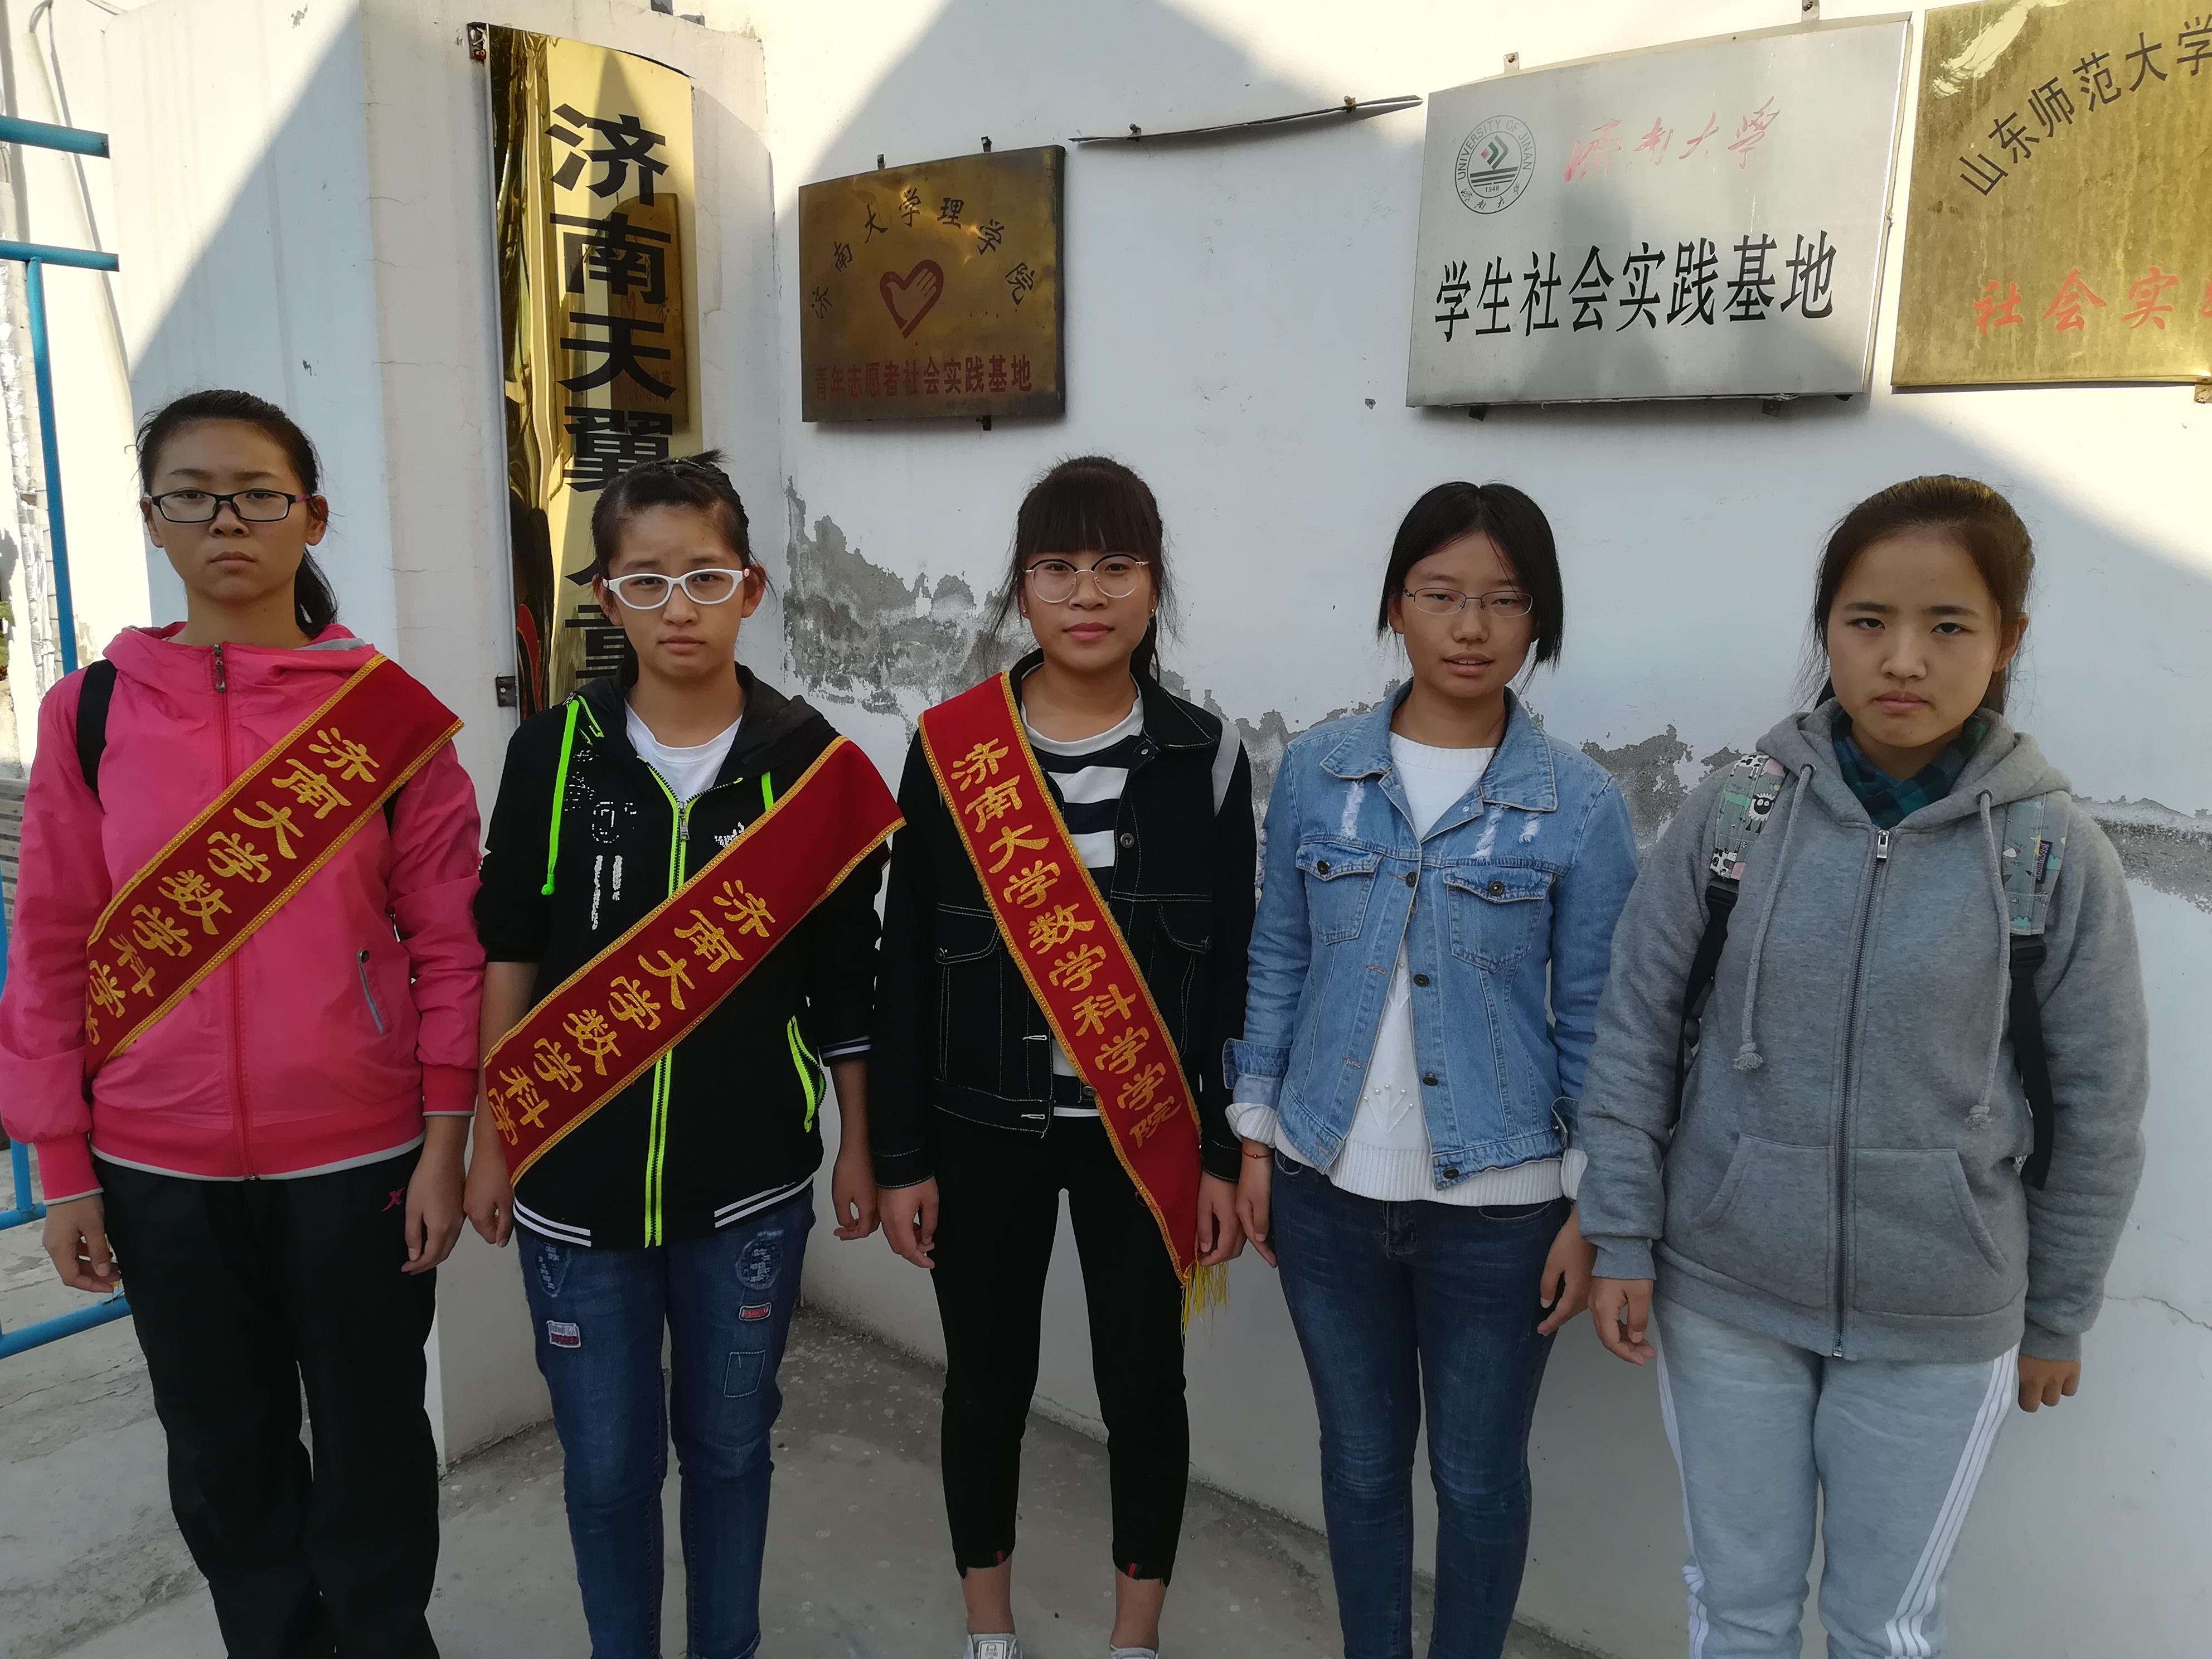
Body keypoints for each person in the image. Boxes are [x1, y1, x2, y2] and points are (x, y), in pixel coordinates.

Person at [1578, 476, 2148, 1659]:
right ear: (1827, 627)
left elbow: (2099, 1106)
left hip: (1938, 1318)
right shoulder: (1735, 816)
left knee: (1882, 1627)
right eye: (1868, 620)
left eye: (1948, 625)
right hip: (1725, 1293)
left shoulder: (2050, 851)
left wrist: (2058, 1314)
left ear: (2007, 641)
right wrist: (1621, 1233)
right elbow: (1636, 1030)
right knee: (1737, 1609)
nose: (1903, 659)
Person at [0, 389, 483, 1658]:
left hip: (361, 1159)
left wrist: (445, 1146)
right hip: (157, 1167)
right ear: (153, 518)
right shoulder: (90, 712)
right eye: (194, 494)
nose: (228, 520)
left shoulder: (386, 717)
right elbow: (50, 944)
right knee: (224, 1457)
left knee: (375, 1446)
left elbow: (450, 943)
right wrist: (63, 1169)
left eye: (259, 494)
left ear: (310, 517)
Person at [465, 452, 898, 1659]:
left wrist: (859, 1142)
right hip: (572, 1186)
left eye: (705, 577)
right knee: (606, 1470)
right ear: (606, 599)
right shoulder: (551, 755)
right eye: (645, 581)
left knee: (728, 1451)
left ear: (750, 587)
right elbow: (509, 953)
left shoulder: (811, 765)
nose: (679, 608)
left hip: (749, 1187)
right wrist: (494, 1140)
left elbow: (844, 977)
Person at [1227, 482, 1637, 1659]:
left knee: (1476, 1475)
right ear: (1395, 606)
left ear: (1539, 619)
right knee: (1359, 1465)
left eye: (1505, 601)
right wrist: (1256, 1138)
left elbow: (1599, 1020)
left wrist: (1592, 1207)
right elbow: (1280, 956)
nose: (1470, 627)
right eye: (1441, 594)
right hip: (1323, 1188)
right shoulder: (1320, 771)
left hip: (1503, 1211)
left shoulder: (1577, 805)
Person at [869, 455, 1253, 1659]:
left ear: (1155, 586)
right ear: (1021, 588)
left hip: (1144, 1141)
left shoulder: (1207, 759)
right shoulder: (951, 751)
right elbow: (903, 966)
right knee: (985, 1383)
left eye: (1116, 566)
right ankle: (989, 1629)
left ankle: (1134, 1638)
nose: (1087, 594)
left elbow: (1235, 980)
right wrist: (899, 1156)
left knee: (1145, 1388)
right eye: (1057, 568)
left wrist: (1227, 1153)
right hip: (982, 1131)